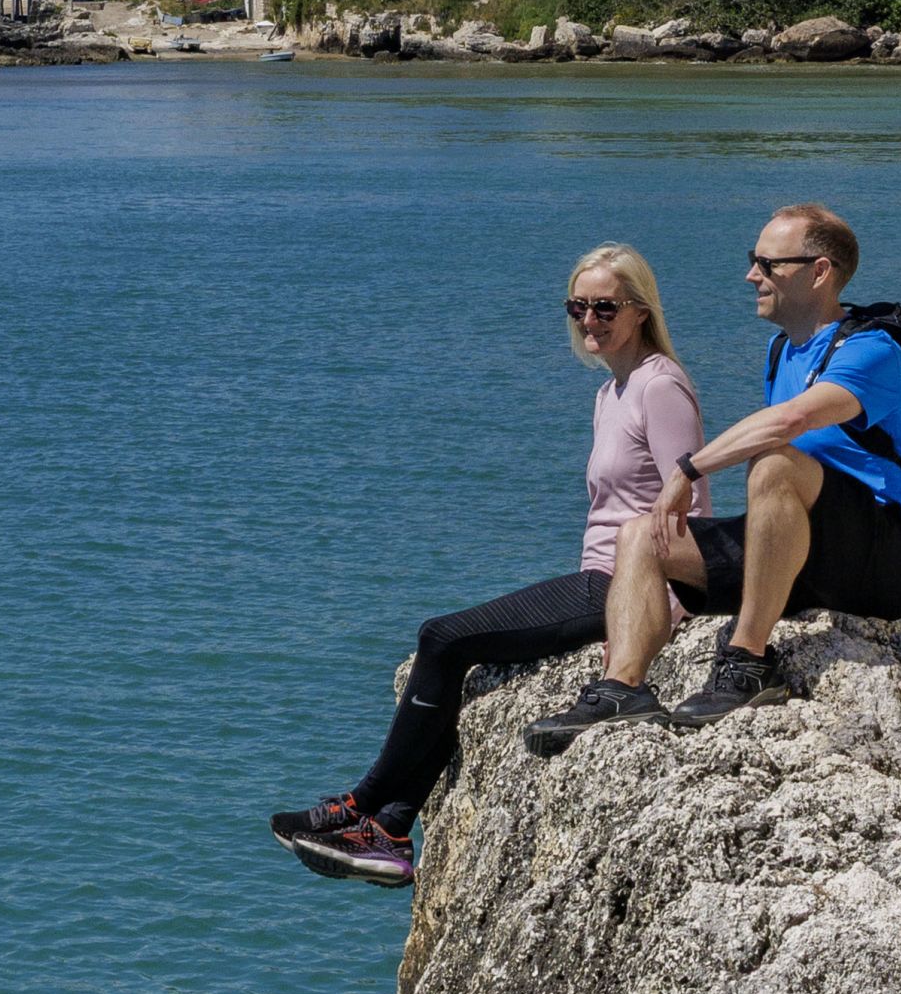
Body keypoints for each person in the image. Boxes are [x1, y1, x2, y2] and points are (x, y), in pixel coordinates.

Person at [273, 244, 701, 884]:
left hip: (625, 588)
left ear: (640, 310)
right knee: (449, 650)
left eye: (605, 307)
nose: (590, 319)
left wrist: (662, 606)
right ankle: (385, 825)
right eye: (578, 306)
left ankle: (372, 814)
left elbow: (689, 502)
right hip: (600, 578)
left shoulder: (659, 386)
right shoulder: (611, 391)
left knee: (442, 639)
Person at [525, 202, 901, 755]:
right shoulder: (782, 351)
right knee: (642, 535)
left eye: (768, 264)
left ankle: (748, 663)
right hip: (806, 554)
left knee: (773, 463)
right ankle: (623, 688)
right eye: (754, 260)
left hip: (888, 559)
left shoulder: (870, 350)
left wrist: (689, 469)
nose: (752, 275)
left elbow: (790, 422)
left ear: (819, 272)